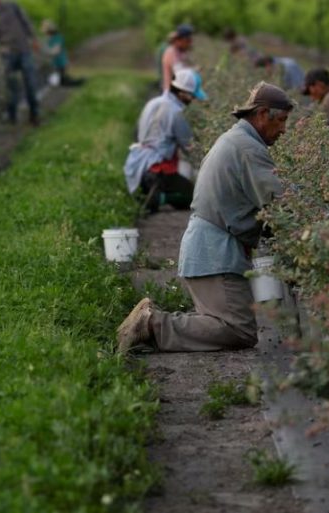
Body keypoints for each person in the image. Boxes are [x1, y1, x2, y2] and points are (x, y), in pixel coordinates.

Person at [117, 83, 294, 353]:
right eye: (281, 121)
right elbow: (283, 205)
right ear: (261, 114)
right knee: (238, 330)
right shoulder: (248, 149)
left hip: (209, 250)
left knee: (229, 326)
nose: (283, 130)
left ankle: (154, 322)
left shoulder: (236, 140)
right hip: (216, 256)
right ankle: (153, 324)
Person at [124, 69, 207, 213]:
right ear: (182, 93)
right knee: (194, 197)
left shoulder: (153, 102)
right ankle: (159, 197)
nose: (192, 100)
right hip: (158, 167)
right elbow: (189, 146)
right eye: (192, 96)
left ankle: (146, 192)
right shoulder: (176, 112)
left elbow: (137, 132)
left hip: (137, 162)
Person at [0, 0, 41, 126]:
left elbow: (26, 23)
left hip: (24, 50)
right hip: (7, 54)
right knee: (11, 87)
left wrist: (33, 38)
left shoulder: (12, 6)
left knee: (30, 83)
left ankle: (34, 115)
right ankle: (12, 117)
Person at [40, 19, 84, 87]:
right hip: (52, 65)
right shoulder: (46, 39)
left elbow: (55, 51)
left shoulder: (58, 37)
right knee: (54, 80)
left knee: (59, 81)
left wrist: (45, 51)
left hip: (59, 64)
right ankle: (65, 79)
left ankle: (74, 81)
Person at [161, 24, 195, 93]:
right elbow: (180, 73)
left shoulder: (181, 52)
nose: (189, 44)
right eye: (187, 41)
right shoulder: (171, 52)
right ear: (179, 40)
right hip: (171, 95)